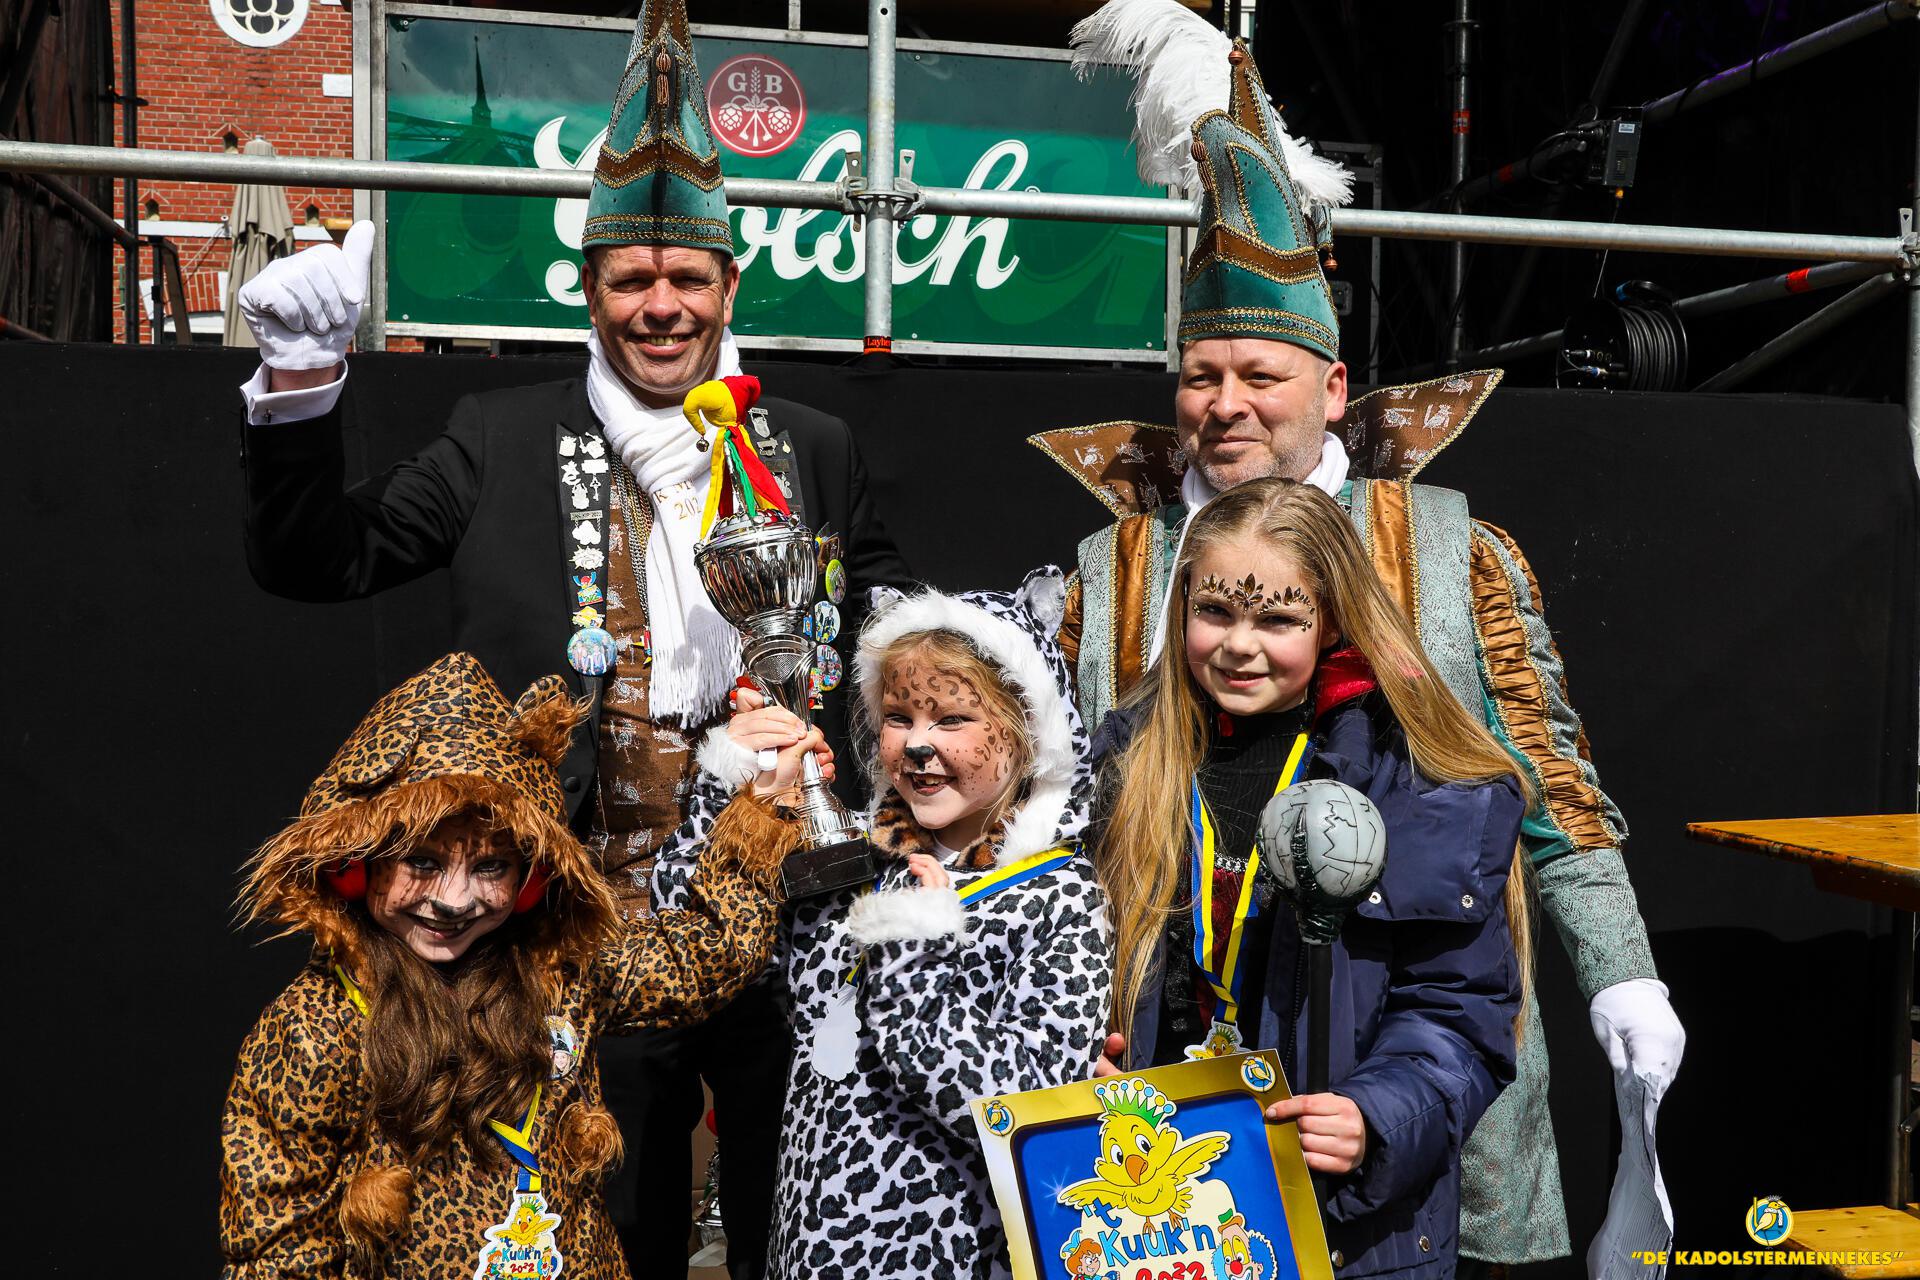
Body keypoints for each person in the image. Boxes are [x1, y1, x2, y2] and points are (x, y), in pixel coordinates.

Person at [231, 2, 910, 1272]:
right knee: (609, 1233)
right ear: (589, 288)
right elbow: (321, 559)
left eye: (687, 279)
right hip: (576, 937)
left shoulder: (812, 444)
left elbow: (886, 627)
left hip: (784, 912)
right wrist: (302, 388)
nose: (662, 306)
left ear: (729, 286)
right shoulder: (497, 434)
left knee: (794, 1231)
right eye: (631, 280)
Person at [1048, 4, 1685, 1271]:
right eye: (1201, 374)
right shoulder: (1104, 568)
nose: (1225, 404)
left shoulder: (1455, 550)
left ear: (1332, 388)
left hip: (1415, 1072)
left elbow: (1553, 784)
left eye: (1260, 376)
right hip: (1171, 1100)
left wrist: (1622, 970)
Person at [219, 651, 800, 1278]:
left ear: (530, 880)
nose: (454, 900)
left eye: (491, 866)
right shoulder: (311, 1029)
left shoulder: (560, 973)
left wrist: (759, 806)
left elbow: (706, 957)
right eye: (421, 862)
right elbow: (278, 1256)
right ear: (355, 866)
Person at [1092, 477, 1530, 1278]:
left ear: (1332, 620)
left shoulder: (1419, 783)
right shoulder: (1124, 759)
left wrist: (1376, 1116)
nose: (1240, 644)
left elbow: (1459, 1010)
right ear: (1180, 604)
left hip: (1339, 1225)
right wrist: (1075, 1056)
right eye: (1214, 610)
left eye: (1278, 619)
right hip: (1155, 1204)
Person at [658, 569, 1111, 1278]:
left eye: (952, 720)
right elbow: (690, 946)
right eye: (899, 718)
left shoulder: (1060, 897)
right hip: (809, 1255)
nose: (918, 745)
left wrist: (909, 965)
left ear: (1029, 731)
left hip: (950, 1258)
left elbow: (1023, 1118)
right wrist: (730, 794)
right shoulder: (849, 862)